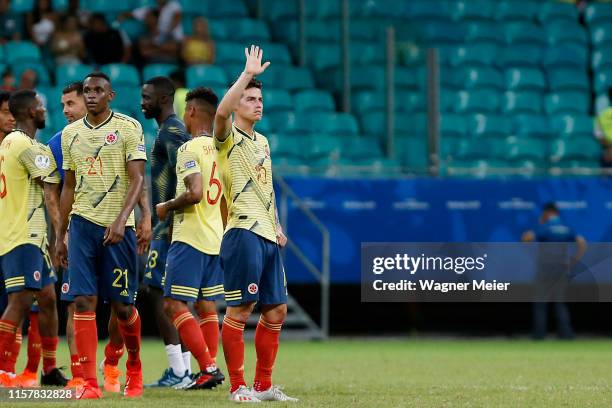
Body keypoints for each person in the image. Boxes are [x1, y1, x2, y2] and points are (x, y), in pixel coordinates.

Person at [55, 72, 147, 399]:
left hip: (118, 229)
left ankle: (133, 365)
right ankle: (89, 383)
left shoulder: (128, 127)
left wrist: (125, 219)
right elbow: (68, 186)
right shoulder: (70, 134)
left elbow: (137, 179)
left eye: (97, 90)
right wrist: (60, 234)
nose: (91, 95)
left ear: (111, 95)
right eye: (86, 90)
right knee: (83, 300)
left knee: (122, 307)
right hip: (82, 224)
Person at [214, 45, 297, 402]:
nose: (257, 104)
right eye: (249, 98)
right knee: (241, 310)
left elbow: (267, 188)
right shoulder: (227, 137)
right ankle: (237, 386)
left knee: (277, 309)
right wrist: (246, 74)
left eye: (259, 98)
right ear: (238, 104)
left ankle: (263, 385)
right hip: (243, 231)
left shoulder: (263, 141)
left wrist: (277, 224)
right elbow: (220, 111)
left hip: (266, 232)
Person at [157, 87, 226, 390]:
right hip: (215, 237)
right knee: (206, 305)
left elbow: (195, 192)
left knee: (172, 303)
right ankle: (209, 368)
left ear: (193, 111)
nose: (183, 116)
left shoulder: (189, 148)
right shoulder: (222, 148)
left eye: (185, 110)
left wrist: (166, 206)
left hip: (190, 237)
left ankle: (208, 366)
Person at [0, 90, 65, 387]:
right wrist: (60, 236)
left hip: (32, 237)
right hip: (23, 234)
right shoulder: (23, 144)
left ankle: (49, 370)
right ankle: (3, 370)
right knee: (21, 300)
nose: (44, 109)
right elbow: (52, 189)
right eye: (40, 106)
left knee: (48, 299)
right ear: (28, 112)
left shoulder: (15, 143)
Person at [140, 76, 192, 388]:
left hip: (168, 226)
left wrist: (171, 220)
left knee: (157, 293)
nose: (142, 102)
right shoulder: (168, 129)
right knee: (169, 296)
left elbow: (188, 176)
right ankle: (184, 370)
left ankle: (179, 371)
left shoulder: (172, 132)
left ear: (162, 99)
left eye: (146, 97)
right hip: (170, 224)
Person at [522, 202, 587, 340]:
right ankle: (567, 334)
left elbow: (527, 237)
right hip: (561, 268)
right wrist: (573, 261)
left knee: (540, 302)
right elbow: (582, 242)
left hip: (545, 268)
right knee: (560, 302)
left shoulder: (544, 227)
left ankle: (539, 335)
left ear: (547, 213)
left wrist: (530, 253)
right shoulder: (566, 228)